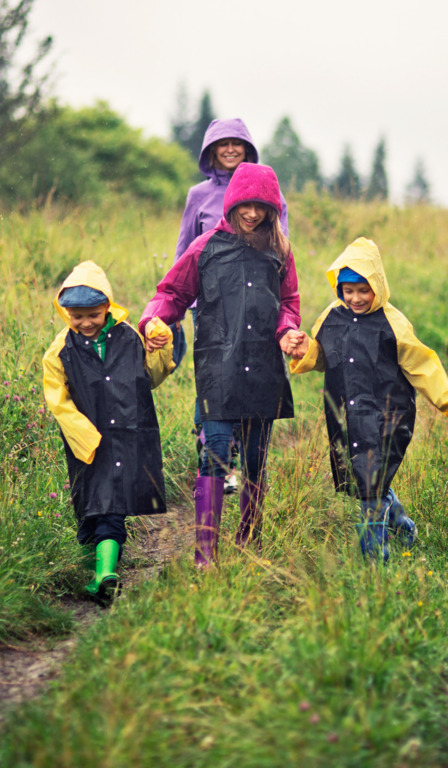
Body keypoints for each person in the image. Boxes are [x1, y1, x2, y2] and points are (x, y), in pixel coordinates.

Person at [141, 163, 302, 567]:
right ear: (232, 203)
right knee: (213, 452)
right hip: (218, 368)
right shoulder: (205, 248)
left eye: (262, 207)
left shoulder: (280, 252)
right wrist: (155, 321)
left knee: (255, 458)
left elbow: (289, 303)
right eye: (246, 205)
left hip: (264, 367)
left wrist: (287, 331)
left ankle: (249, 539)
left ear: (273, 209)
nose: (252, 214)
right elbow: (171, 294)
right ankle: (205, 553)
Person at [288, 237, 448, 564]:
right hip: (346, 417)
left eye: (364, 290)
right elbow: (324, 356)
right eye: (349, 291)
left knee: (370, 489)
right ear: (339, 289)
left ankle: (376, 566)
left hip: (388, 417)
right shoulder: (332, 316)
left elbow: (423, 366)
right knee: (365, 481)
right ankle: (401, 524)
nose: (356, 298)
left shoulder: (393, 323)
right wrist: (306, 350)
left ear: (377, 285)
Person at [43, 260, 174, 603]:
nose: (85, 323)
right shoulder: (60, 350)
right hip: (87, 441)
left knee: (112, 507)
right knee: (89, 506)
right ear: (65, 312)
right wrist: (81, 433)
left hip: (128, 434)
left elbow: (152, 377)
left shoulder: (130, 337)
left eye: (93, 315)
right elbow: (57, 398)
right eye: (76, 316)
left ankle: (105, 575)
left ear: (107, 308)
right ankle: (93, 572)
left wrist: (161, 347)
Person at [172, 118, 290, 493]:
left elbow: (278, 245)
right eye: (221, 144)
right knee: (214, 379)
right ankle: (213, 458)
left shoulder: (270, 194)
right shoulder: (197, 195)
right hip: (209, 304)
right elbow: (186, 249)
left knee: (249, 379)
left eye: (236, 144)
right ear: (209, 150)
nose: (229, 150)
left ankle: (234, 460)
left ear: (247, 148)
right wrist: (179, 306)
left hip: (253, 305)